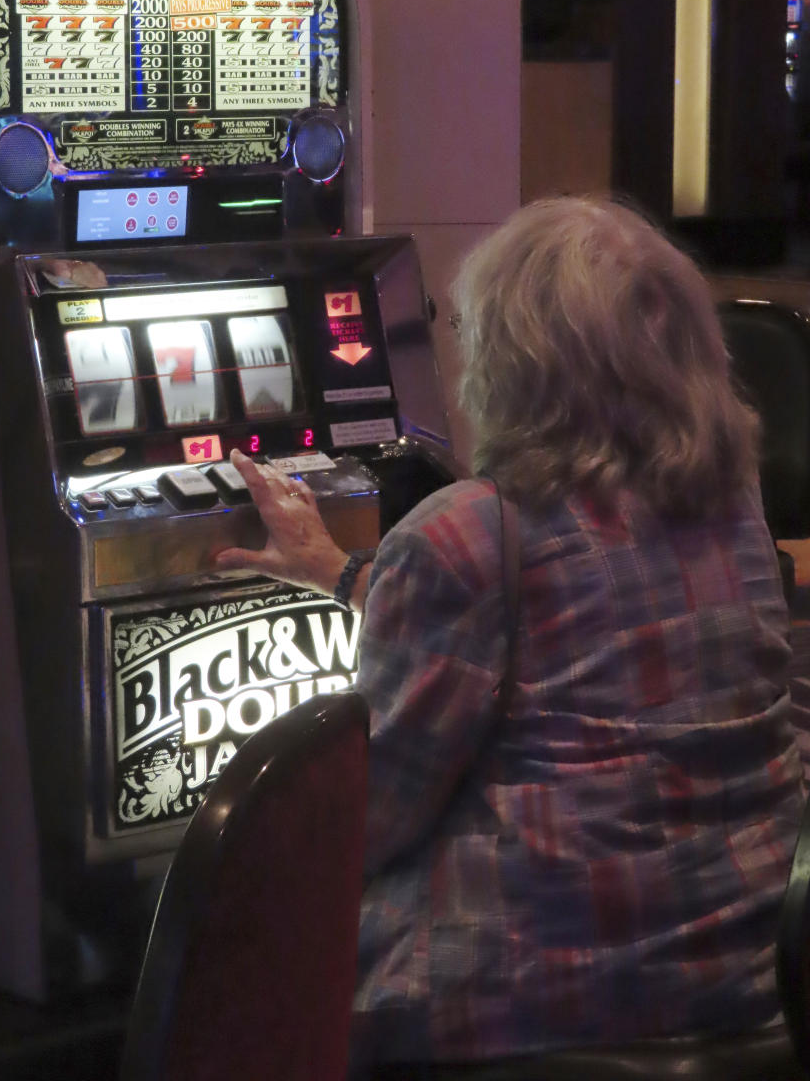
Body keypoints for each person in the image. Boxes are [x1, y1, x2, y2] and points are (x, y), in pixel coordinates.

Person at [214, 195, 805, 1073]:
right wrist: (336, 568)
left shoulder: (465, 532)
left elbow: (376, 819)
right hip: (751, 970)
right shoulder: (732, 503)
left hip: (537, 993)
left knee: (241, 967)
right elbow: (566, 605)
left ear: (515, 358)